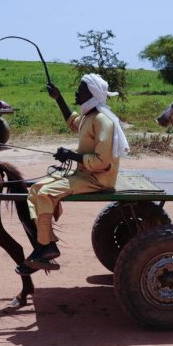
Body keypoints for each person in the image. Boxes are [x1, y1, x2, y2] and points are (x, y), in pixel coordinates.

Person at [18, 74, 130, 273]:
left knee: (45, 193)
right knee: (35, 189)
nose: (77, 91)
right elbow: (73, 122)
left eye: (81, 88)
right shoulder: (89, 116)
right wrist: (58, 98)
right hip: (85, 174)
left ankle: (46, 247)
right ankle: (46, 245)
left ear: (92, 93)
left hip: (98, 179)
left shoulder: (103, 121)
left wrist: (72, 155)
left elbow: (102, 162)